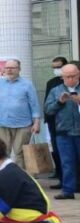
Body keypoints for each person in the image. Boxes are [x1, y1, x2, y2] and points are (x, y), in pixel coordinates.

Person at [0, 59, 41, 164]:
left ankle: (20, 178)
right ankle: (4, 176)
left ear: (19, 69)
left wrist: (37, 122)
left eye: (12, 68)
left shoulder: (27, 84)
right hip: (3, 123)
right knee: (2, 152)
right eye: (7, 68)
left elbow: (34, 104)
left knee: (20, 153)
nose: (9, 70)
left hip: (23, 124)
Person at [44, 63, 80, 200]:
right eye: (67, 77)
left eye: (73, 76)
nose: (70, 79)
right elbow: (48, 110)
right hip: (64, 132)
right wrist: (59, 102)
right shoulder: (56, 90)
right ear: (62, 77)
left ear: (79, 74)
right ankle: (68, 190)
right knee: (67, 162)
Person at [44, 56, 68, 189]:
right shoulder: (51, 83)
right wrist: (46, 120)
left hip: (69, 122)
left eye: (59, 67)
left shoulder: (70, 82)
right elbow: (47, 104)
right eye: (54, 68)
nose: (56, 70)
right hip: (54, 122)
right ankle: (60, 177)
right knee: (57, 150)